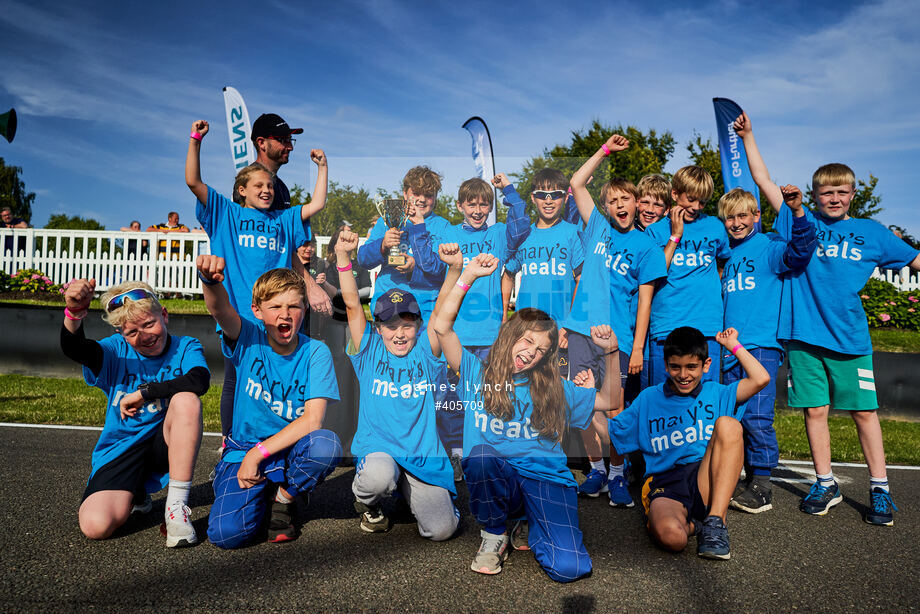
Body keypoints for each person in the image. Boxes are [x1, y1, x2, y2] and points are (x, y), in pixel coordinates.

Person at [734, 111, 920, 525]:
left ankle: (881, 489)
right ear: (815, 195)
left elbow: (917, 260)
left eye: (841, 191)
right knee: (814, 412)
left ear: (853, 193)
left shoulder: (873, 232)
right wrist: (748, 136)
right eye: (826, 192)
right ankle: (825, 482)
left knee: (864, 414)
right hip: (802, 337)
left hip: (850, 339)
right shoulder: (799, 218)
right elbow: (763, 179)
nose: (833, 198)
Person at [433, 252, 621, 582]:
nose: (530, 352)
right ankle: (494, 533)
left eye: (541, 350)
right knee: (480, 458)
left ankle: (530, 521)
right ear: (511, 335)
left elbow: (611, 399)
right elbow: (442, 326)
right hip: (500, 473)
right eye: (527, 340)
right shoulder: (477, 373)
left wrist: (611, 352)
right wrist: (469, 275)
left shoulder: (555, 387)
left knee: (571, 568)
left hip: (546, 477)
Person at [185, 118, 327, 440]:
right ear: (241, 190)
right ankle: (230, 443)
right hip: (240, 317)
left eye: (270, 187)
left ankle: (276, 440)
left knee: (275, 380)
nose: (266, 191)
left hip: (277, 314)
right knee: (236, 381)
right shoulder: (226, 213)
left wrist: (322, 168)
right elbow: (193, 181)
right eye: (258, 186)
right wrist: (196, 139)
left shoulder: (282, 218)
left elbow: (317, 204)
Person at [197, 258, 342, 547]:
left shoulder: (316, 352)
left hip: (287, 450)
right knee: (227, 535)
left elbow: (313, 420)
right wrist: (211, 282)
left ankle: (283, 498)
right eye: (275, 307)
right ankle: (252, 491)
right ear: (257, 311)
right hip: (244, 449)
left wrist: (258, 454)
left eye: (294, 307)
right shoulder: (247, 337)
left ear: (305, 309)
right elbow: (219, 309)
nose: (285, 315)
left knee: (327, 445)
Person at [60, 279, 209, 547]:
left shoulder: (186, 346)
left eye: (149, 324)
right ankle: (135, 493)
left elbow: (199, 381)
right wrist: (74, 313)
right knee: (96, 526)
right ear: (121, 332)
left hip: (164, 443)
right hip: (121, 448)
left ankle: (176, 509)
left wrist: (144, 393)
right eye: (132, 332)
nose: (144, 336)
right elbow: (76, 348)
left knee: (187, 400)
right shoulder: (115, 349)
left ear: (163, 315)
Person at [334, 230, 459, 540]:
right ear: (379, 327)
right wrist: (343, 258)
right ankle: (369, 506)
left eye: (407, 325)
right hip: (381, 450)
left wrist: (455, 269)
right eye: (391, 325)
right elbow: (351, 305)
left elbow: (444, 308)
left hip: (420, 454)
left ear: (418, 326)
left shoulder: (426, 351)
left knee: (442, 530)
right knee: (379, 478)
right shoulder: (369, 348)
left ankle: (408, 490)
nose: (399, 333)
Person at [565, 136, 667, 508]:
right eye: (612, 200)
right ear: (605, 207)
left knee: (615, 411)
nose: (619, 205)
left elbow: (645, 302)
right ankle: (596, 469)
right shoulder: (596, 228)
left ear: (637, 204)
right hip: (580, 332)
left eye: (625, 199)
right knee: (584, 405)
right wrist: (604, 151)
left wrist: (637, 347)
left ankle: (618, 473)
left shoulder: (646, 247)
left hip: (618, 339)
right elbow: (576, 183)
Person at [609, 326, 770, 560]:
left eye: (692, 367)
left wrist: (733, 345)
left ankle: (716, 520)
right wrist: (615, 473)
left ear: (706, 365)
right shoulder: (649, 398)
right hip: (666, 480)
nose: (683, 374)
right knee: (673, 539)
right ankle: (697, 525)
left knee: (729, 424)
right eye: (676, 367)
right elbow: (613, 432)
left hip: (706, 476)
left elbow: (761, 378)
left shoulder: (717, 392)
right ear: (666, 365)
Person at [718, 187, 816, 513]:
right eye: (730, 217)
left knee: (758, 417)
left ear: (756, 216)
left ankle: (762, 484)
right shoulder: (725, 254)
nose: (736, 223)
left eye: (743, 215)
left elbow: (801, 252)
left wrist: (798, 212)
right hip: (728, 349)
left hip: (760, 345)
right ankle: (742, 475)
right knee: (734, 416)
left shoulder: (770, 246)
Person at [645, 166, 729, 387]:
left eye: (702, 202)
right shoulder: (655, 231)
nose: (696, 207)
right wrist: (675, 235)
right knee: (662, 399)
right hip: (667, 325)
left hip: (707, 326)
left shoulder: (715, 227)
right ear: (675, 194)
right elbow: (654, 272)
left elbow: (722, 264)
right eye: (691, 199)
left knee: (706, 399)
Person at [249, 112, 333, 319]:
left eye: (290, 140)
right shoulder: (251, 185)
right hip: (258, 297)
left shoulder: (282, 188)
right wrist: (311, 286)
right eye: (283, 140)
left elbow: (286, 244)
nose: (290, 147)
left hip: (278, 292)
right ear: (262, 143)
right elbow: (269, 246)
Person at [358, 166, 452, 322]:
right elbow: (363, 259)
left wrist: (414, 269)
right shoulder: (385, 221)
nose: (421, 199)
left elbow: (441, 271)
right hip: (388, 305)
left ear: (435, 197)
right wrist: (382, 246)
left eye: (428, 195)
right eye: (416, 193)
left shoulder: (442, 226)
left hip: (426, 309)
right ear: (404, 193)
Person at [500, 167, 584, 326]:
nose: (548, 200)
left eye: (556, 195)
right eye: (541, 195)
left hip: (560, 330)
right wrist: (504, 316)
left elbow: (581, 280)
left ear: (565, 198)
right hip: (524, 328)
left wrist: (571, 324)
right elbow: (508, 275)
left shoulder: (573, 233)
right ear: (533, 198)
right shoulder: (524, 235)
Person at [320, 226, 372, 452]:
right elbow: (338, 300)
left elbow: (367, 291)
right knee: (340, 376)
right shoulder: (330, 268)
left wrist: (344, 295)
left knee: (356, 378)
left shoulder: (360, 267)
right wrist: (345, 296)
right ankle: (336, 436)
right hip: (336, 326)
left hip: (356, 326)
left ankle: (355, 437)